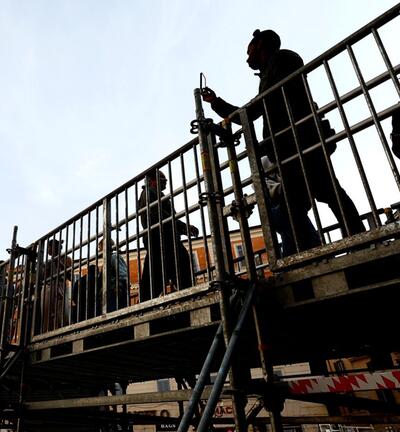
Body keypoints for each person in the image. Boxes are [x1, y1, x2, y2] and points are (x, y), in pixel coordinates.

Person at [202, 29, 364, 256]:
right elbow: (257, 110)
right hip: (290, 146)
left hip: (299, 142)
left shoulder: (282, 60)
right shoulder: (275, 67)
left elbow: (255, 109)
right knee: (302, 204)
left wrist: (218, 104)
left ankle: (357, 242)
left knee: (325, 194)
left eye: (249, 51)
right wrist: (217, 102)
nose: (247, 58)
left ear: (261, 46)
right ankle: (313, 253)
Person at [138, 171, 198, 301]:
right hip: (161, 240)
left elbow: (165, 217)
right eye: (162, 178)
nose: (165, 181)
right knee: (172, 270)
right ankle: (189, 296)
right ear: (152, 180)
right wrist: (183, 227)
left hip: (163, 239)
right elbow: (158, 215)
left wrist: (182, 227)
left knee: (158, 275)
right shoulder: (149, 192)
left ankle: (145, 305)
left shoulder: (156, 194)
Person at [40, 239, 72, 330]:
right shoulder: (48, 262)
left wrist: (59, 263)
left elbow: (70, 276)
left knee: (61, 313)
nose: (47, 250)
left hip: (60, 287)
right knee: (47, 315)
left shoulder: (66, 258)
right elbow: (43, 277)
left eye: (49, 247)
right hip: (48, 289)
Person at [99, 237, 130, 312]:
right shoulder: (108, 259)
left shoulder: (114, 257)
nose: (99, 250)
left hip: (115, 292)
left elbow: (123, 274)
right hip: (110, 293)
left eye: (100, 247)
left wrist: (118, 286)